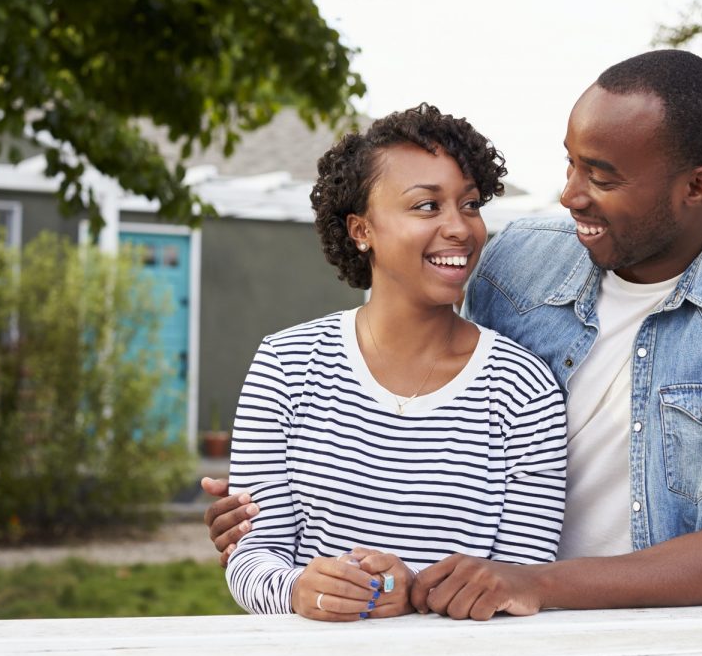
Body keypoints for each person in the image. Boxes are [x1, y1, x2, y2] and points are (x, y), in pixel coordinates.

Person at [204, 50, 702, 620]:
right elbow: (415, 357)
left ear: (696, 187)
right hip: (487, 614)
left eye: (602, 177)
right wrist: (264, 537)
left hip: (637, 624)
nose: (569, 196)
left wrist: (530, 582)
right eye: (570, 163)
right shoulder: (520, 259)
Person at [223, 103, 568, 621]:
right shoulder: (286, 365)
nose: (460, 228)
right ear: (362, 229)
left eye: (470, 204)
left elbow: (520, 579)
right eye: (427, 206)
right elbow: (251, 557)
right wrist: (299, 590)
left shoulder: (523, 388)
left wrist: (413, 594)